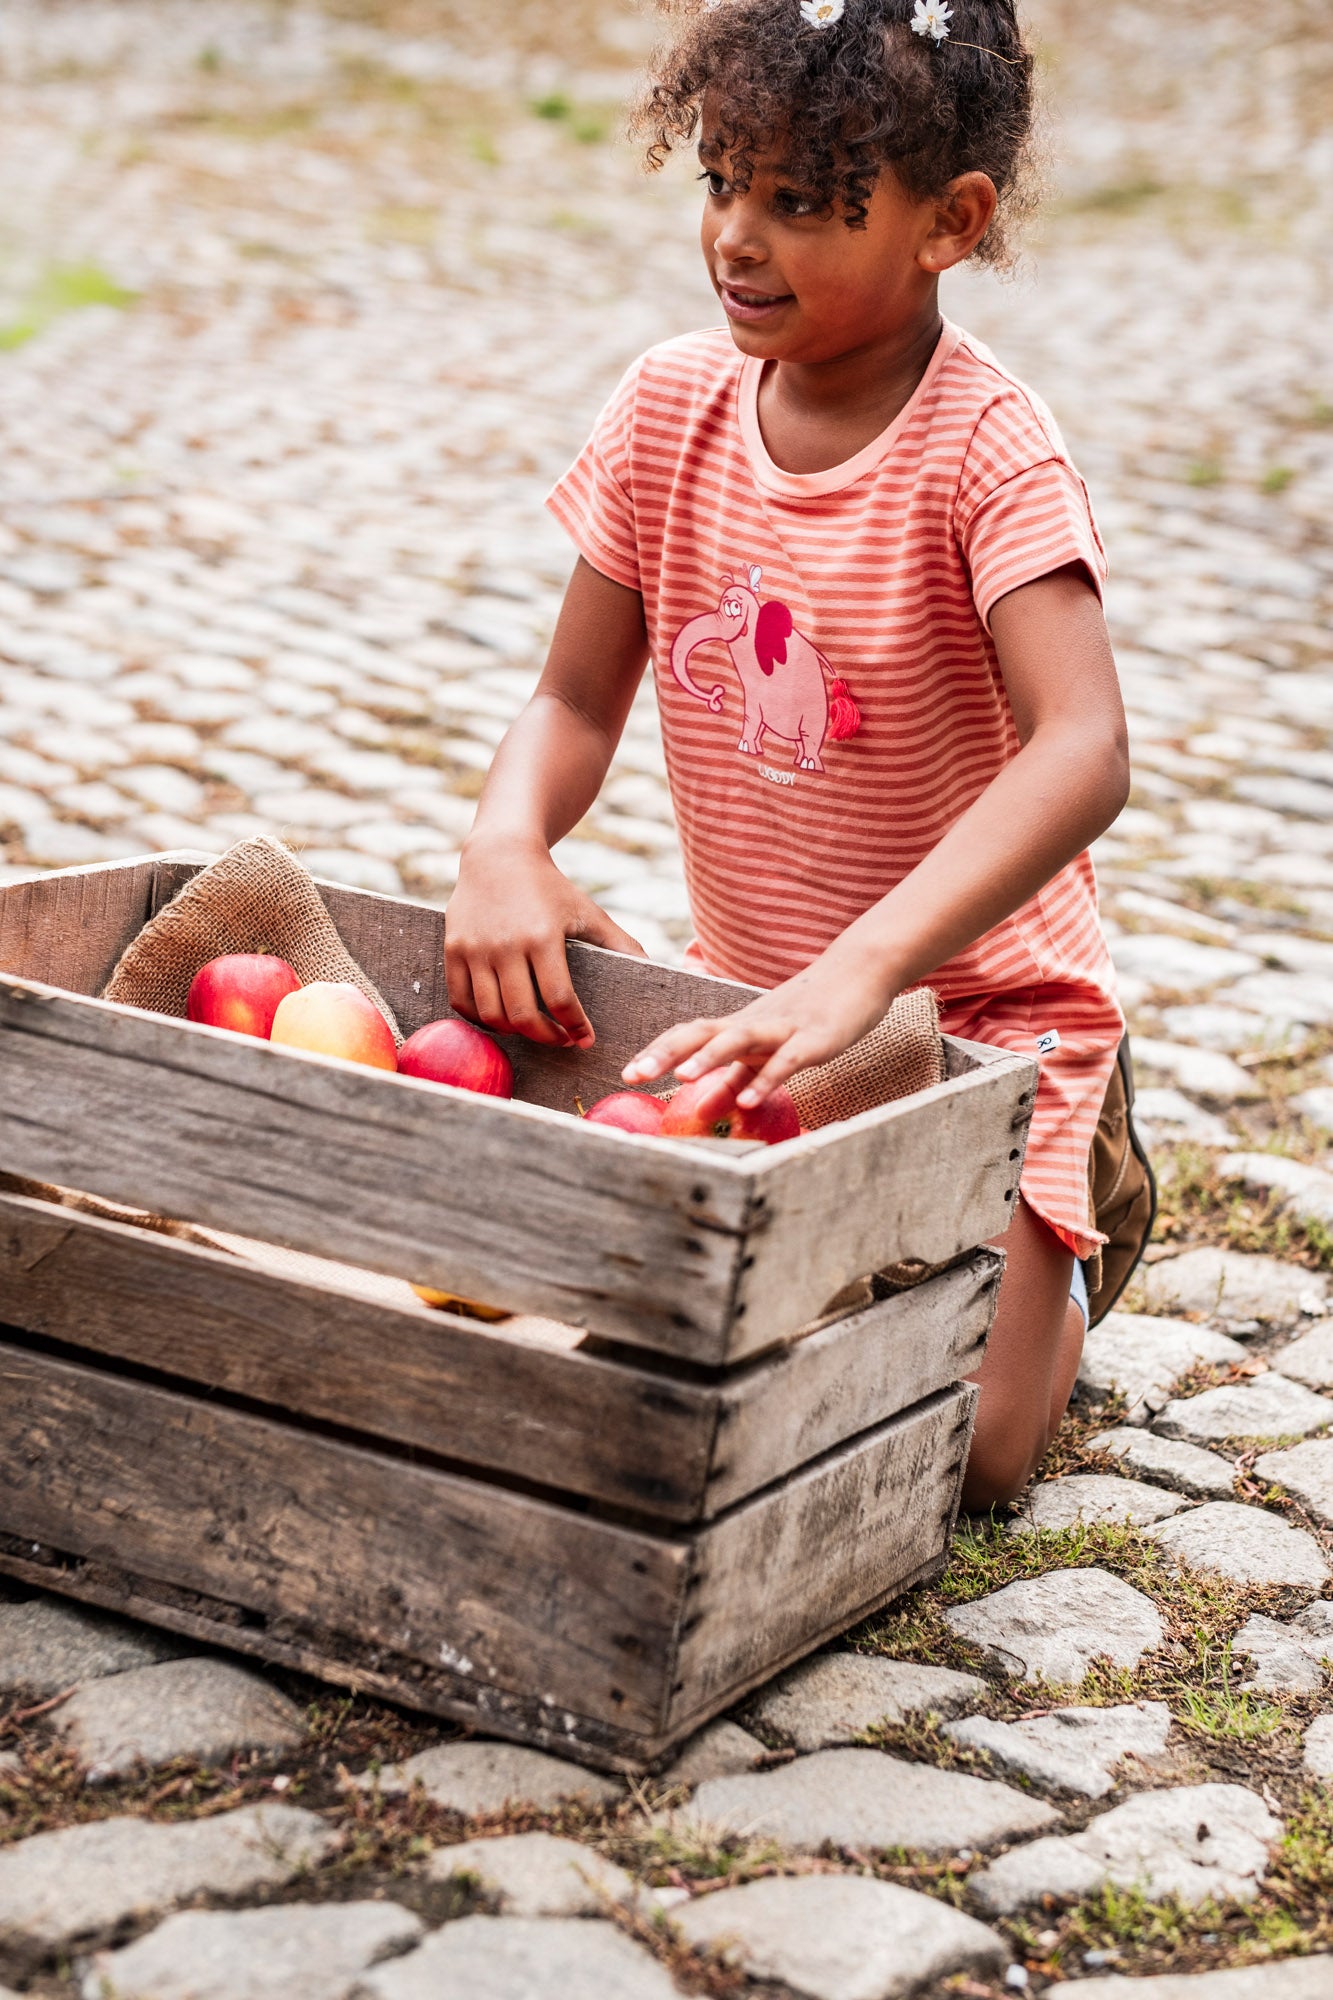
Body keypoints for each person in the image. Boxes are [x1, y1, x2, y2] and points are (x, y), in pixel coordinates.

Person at [445, 0, 1129, 1510]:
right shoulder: (666, 408)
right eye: (719, 182)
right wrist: (506, 843)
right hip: (758, 1003)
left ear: (949, 222)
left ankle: (1079, 1223)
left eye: (804, 205)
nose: (738, 240)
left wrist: (870, 968)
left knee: (972, 1454)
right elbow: (572, 700)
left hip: (977, 1014)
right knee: (631, 1345)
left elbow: (1081, 751)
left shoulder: (985, 450)